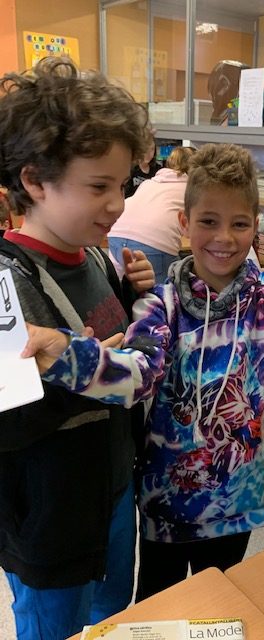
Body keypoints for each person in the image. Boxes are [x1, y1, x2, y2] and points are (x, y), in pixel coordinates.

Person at [23, 143, 264, 601]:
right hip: (168, 503)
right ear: (185, 223)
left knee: (220, 602)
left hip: (240, 501)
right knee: (159, 606)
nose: (224, 237)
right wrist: (67, 354)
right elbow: (137, 376)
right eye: (208, 221)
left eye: (239, 224)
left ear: (255, 225)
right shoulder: (160, 304)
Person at [0, 56, 155, 639]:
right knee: (55, 627)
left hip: (110, 492)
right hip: (49, 520)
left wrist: (131, 294)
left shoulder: (93, 255)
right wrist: (84, 374)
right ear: (36, 182)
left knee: (109, 614)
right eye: (99, 187)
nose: (118, 204)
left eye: (122, 185)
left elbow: (113, 341)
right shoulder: (9, 285)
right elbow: (8, 423)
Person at [109, 146, 197, 282]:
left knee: (120, 288)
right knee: (169, 290)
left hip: (116, 236)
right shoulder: (190, 189)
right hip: (154, 244)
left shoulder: (149, 182)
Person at [124, 132, 161, 198]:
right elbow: (125, 195)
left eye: (152, 149)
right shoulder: (129, 169)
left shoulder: (158, 170)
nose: (149, 153)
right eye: (146, 149)